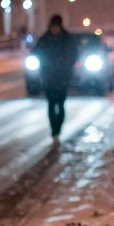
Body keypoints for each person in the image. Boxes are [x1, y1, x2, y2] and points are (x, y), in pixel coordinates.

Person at [33, 14, 77, 142]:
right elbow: (36, 53)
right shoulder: (45, 39)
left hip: (63, 77)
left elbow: (74, 55)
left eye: (57, 27)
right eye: (53, 27)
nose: (55, 29)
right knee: (51, 104)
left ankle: (58, 127)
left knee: (61, 104)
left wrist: (67, 66)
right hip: (49, 78)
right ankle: (54, 130)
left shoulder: (67, 39)